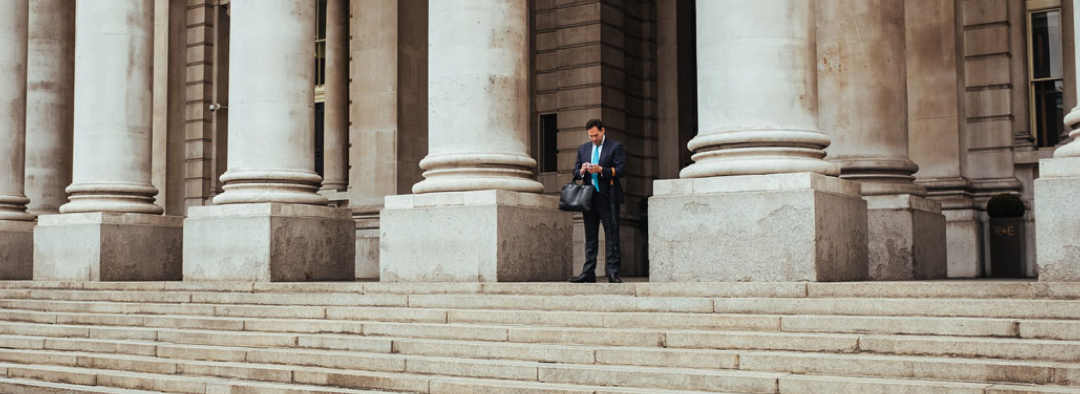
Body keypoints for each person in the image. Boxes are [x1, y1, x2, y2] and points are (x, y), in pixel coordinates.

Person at [569, 119, 626, 283]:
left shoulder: (615, 147)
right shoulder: (583, 148)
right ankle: (588, 273)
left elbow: (621, 170)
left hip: (609, 198)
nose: (593, 138)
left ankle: (613, 273)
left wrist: (602, 170)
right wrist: (581, 171)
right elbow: (575, 172)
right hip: (589, 198)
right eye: (590, 136)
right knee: (590, 238)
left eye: (595, 135)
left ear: (603, 130)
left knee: (612, 236)